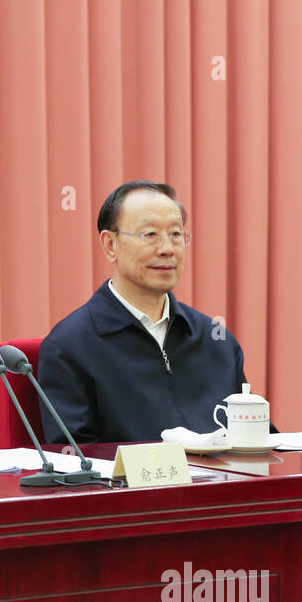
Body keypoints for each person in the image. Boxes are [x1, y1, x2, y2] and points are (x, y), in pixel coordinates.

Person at [37, 180, 254, 443]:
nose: (167, 249)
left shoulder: (215, 339)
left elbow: (255, 438)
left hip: (223, 482)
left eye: (176, 235)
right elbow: (76, 461)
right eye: (149, 235)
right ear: (110, 245)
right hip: (133, 484)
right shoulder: (69, 346)